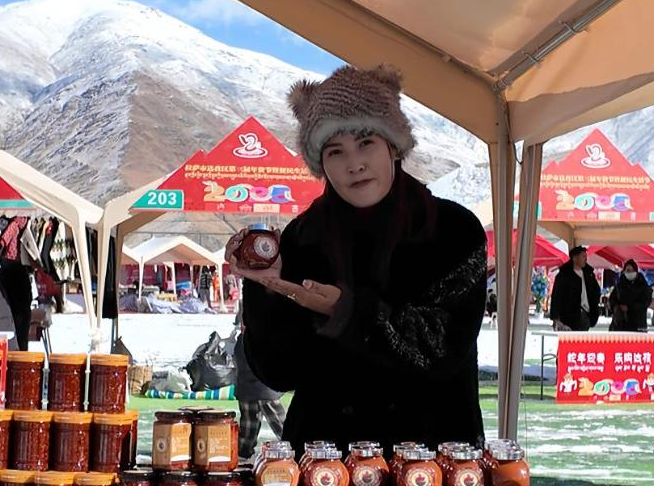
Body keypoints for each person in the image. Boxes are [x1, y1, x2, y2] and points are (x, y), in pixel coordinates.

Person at [226, 64, 487, 454]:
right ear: (321, 163)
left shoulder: (453, 231)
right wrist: (268, 288)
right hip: (325, 465)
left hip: (430, 465)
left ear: (393, 146)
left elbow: (442, 348)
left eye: (366, 142)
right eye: (336, 151)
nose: (354, 164)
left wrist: (348, 313)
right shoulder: (301, 238)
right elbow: (278, 372)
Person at [233, 302, 286, 459]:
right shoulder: (258, 338)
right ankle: (294, 446)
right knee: (279, 424)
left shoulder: (245, 339)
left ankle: (243, 454)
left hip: (252, 389)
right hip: (262, 389)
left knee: (249, 427)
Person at [549, 246, 600, 331]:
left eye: (586, 256)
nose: (586, 259)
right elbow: (556, 297)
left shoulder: (589, 274)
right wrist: (556, 318)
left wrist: (594, 307)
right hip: (568, 318)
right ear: (575, 258)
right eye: (583, 256)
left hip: (586, 315)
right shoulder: (564, 275)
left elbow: (596, 291)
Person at [609, 259, 652, 331]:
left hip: (638, 324)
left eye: (632, 270)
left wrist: (630, 307)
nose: (630, 272)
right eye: (628, 270)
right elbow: (612, 300)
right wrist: (617, 307)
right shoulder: (619, 285)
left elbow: (646, 302)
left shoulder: (643, 286)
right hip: (620, 324)